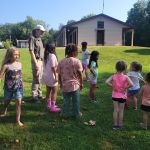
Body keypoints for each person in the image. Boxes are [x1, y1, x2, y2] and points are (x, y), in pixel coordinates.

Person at [57, 44, 83, 119]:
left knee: (66, 101)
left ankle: (65, 114)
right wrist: (81, 83)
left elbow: (59, 74)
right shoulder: (77, 61)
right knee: (76, 101)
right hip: (75, 85)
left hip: (65, 85)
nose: (77, 53)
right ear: (74, 52)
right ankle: (77, 114)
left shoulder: (61, 62)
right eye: (77, 51)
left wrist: (61, 84)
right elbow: (80, 74)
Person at [105, 61, 133, 129]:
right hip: (122, 96)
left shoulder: (113, 76)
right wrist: (125, 88)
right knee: (121, 110)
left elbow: (106, 82)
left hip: (115, 95)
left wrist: (113, 86)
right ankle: (120, 125)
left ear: (116, 68)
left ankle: (115, 125)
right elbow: (132, 84)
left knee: (115, 110)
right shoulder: (126, 77)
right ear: (124, 69)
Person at [0, 47, 23, 126]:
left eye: (18, 54)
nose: (17, 56)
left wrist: (20, 82)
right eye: (15, 54)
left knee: (19, 102)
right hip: (8, 88)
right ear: (10, 55)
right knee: (6, 101)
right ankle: (4, 109)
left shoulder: (20, 64)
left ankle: (18, 120)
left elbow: (20, 75)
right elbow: (1, 76)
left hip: (18, 87)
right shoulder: (6, 66)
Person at [41, 43, 60, 112]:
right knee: (54, 91)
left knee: (48, 91)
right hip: (52, 76)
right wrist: (56, 76)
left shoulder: (45, 55)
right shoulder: (52, 56)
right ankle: (52, 107)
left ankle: (49, 104)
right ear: (53, 48)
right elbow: (53, 67)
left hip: (46, 75)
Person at [28, 24, 45, 102]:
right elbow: (31, 51)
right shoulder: (32, 38)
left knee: (40, 78)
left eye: (42, 32)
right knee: (36, 78)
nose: (42, 33)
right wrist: (35, 63)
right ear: (36, 30)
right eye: (41, 31)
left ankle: (39, 94)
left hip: (41, 60)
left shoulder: (40, 39)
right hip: (36, 60)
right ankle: (34, 96)